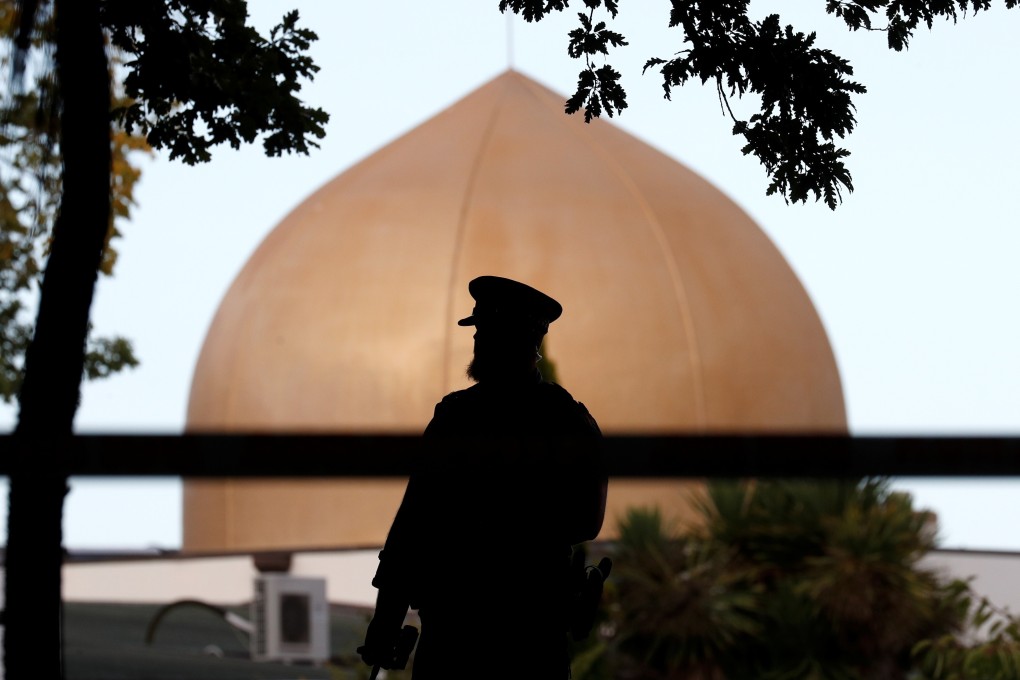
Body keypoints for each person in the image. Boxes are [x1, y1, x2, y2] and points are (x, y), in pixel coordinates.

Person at [358, 275, 608, 679]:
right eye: (479, 332)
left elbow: (412, 528)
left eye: (488, 333)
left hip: (501, 638)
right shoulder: (562, 420)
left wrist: (388, 618)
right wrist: (386, 618)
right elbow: (412, 527)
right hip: (501, 637)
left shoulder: (463, 418)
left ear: (522, 340)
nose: (477, 342)